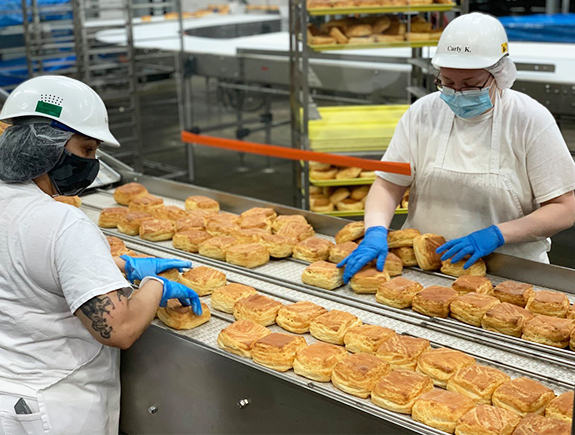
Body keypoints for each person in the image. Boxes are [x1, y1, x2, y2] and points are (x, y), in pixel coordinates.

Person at [0, 75, 201, 435]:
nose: (91, 164)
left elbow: (25, 266)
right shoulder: (63, 222)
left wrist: (119, 265)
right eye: (88, 150)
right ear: (49, 146)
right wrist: (156, 285)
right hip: (54, 406)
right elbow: (118, 329)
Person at [339, 12, 575, 283]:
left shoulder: (529, 119)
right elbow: (389, 184)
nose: (457, 93)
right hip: (425, 267)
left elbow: (564, 208)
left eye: (471, 85)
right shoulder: (423, 113)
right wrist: (376, 231)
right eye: (447, 83)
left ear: (499, 75)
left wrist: (496, 235)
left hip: (510, 272)